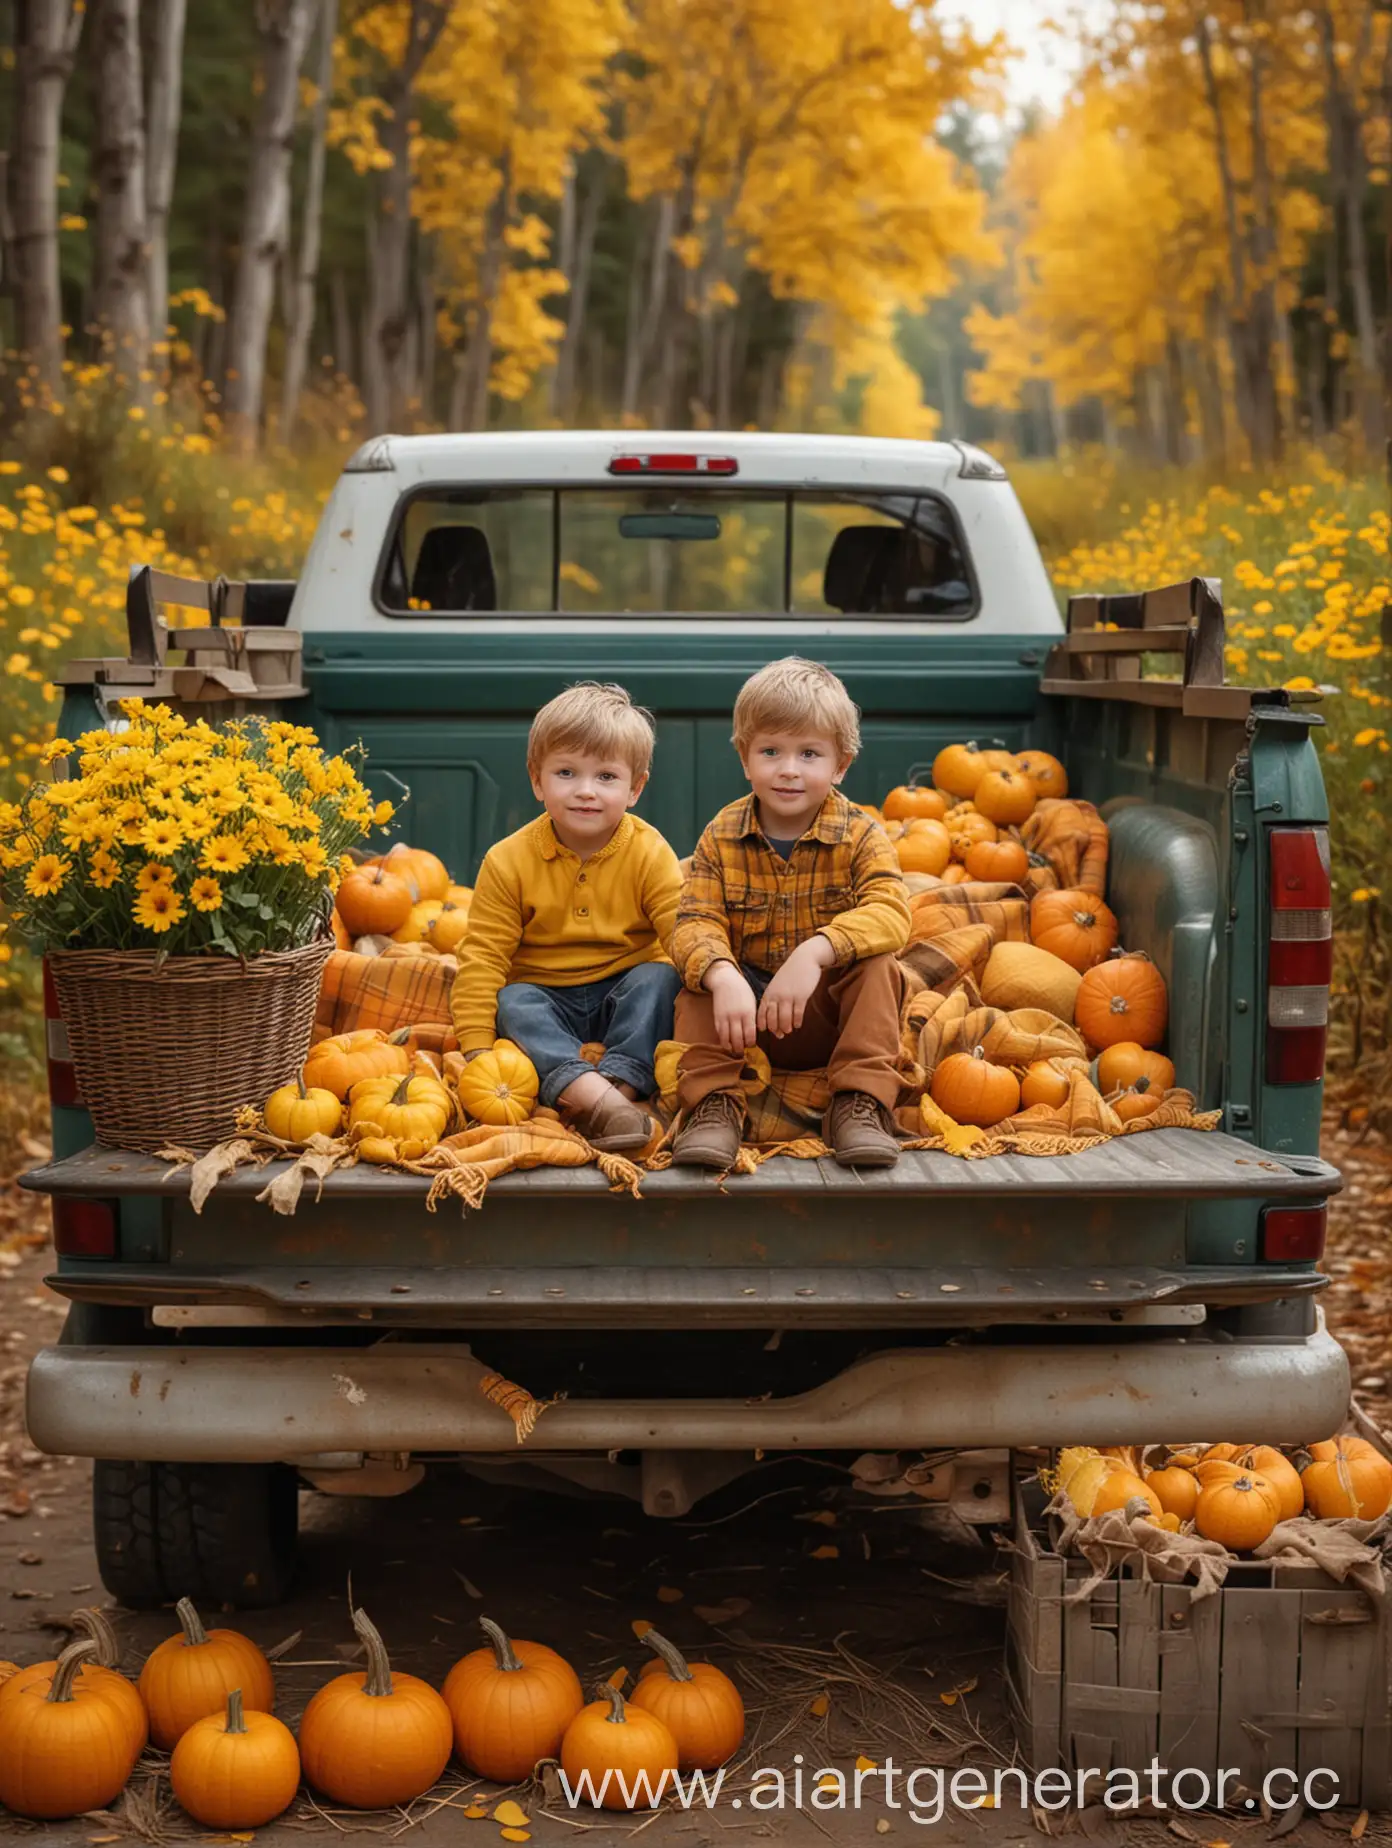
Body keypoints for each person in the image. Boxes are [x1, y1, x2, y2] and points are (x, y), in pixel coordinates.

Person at [669, 656, 911, 1171]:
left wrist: (816, 952)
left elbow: (891, 910)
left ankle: (858, 1101)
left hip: (824, 1016)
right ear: (745, 756)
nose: (788, 769)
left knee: (878, 966)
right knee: (693, 980)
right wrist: (721, 973)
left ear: (840, 764)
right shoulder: (721, 833)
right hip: (744, 1020)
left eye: (809, 754)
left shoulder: (860, 834)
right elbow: (694, 921)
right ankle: (715, 1103)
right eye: (771, 751)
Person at [450, 682, 682, 1153]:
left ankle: (619, 1092)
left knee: (660, 979)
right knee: (514, 1002)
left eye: (606, 778)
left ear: (635, 788)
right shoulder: (507, 860)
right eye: (566, 772)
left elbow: (683, 931)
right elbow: (483, 957)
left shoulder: (649, 852)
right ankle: (591, 1096)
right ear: (537, 780)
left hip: (623, 987)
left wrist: (719, 980)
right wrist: (476, 1047)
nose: (584, 791)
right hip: (548, 995)